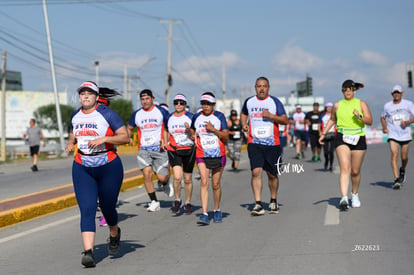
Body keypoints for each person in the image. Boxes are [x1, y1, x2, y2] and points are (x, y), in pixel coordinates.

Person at [65, 81, 129, 268]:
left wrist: (105, 138)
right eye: (82, 93)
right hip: (82, 166)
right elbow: (72, 132)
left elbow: (124, 137)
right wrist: (71, 143)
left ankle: (114, 232)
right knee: (87, 209)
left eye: (89, 93)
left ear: (96, 96)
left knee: (108, 207)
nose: (85, 96)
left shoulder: (107, 114)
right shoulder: (75, 115)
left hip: (108, 166)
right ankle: (88, 252)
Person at [319, 79, 372, 210]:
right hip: (342, 137)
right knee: (345, 168)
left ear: (354, 90)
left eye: (350, 89)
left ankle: (354, 194)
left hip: (358, 138)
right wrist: (324, 133)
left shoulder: (361, 103)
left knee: (355, 171)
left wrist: (359, 115)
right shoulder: (337, 105)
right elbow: (332, 119)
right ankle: (343, 197)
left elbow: (369, 121)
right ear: (342, 91)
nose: (347, 91)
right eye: (345, 89)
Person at [240, 76, 288, 216]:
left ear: (268, 88)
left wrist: (271, 116)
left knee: (272, 175)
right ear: (255, 88)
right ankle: (258, 204)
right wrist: (244, 124)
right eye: (259, 86)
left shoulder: (274, 102)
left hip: (272, 143)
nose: (261, 89)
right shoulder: (249, 101)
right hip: (254, 143)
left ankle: (273, 200)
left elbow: (285, 120)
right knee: (256, 172)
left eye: (264, 86)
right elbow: (243, 114)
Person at [127, 89, 173, 212]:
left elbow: (168, 127)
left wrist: (165, 141)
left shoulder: (161, 111)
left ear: (152, 99)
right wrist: (129, 137)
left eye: (147, 99)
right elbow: (130, 128)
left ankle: (165, 182)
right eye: (142, 99)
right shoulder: (137, 114)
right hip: (144, 149)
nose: (145, 101)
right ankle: (154, 201)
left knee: (162, 178)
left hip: (159, 149)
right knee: (147, 174)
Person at [189, 92, 229, 225]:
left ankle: (217, 209)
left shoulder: (219, 117)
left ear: (213, 104)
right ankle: (205, 213)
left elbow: (226, 136)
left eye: (208, 104)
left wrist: (213, 130)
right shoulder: (196, 117)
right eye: (203, 104)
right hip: (202, 153)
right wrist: (193, 136)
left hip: (218, 153)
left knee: (215, 184)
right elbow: (192, 130)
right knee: (204, 182)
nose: (205, 106)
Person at [167, 94, 196, 214]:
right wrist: (164, 141)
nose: (178, 105)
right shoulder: (169, 117)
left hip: (189, 149)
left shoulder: (191, 117)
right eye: (176, 102)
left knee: (187, 179)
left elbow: (195, 135)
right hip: (174, 149)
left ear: (185, 104)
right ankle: (177, 200)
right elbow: (164, 129)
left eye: (181, 102)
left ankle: (188, 202)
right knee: (177, 177)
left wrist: (189, 129)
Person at [381, 84, 414, 189]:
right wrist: (384, 127)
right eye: (395, 93)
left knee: (404, 157)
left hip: (405, 134)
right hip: (393, 133)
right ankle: (396, 179)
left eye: (398, 93)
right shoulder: (387, 106)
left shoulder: (408, 104)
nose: (396, 94)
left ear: (402, 94)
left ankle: (402, 169)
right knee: (394, 153)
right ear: (392, 94)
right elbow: (382, 117)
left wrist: (408, 121)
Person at [319, 102, 336, 171]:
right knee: (326, 152)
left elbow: (338, 124)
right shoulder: (322, 116)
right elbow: (319, 125)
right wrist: (320, 132)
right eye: (328, 107)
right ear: (326, 108)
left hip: (333, 134)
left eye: (330, 107)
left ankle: (331, 165)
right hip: (325, 134)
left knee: (331, 151)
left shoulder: (335, 115)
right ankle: (326, 161)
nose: (329, 108)